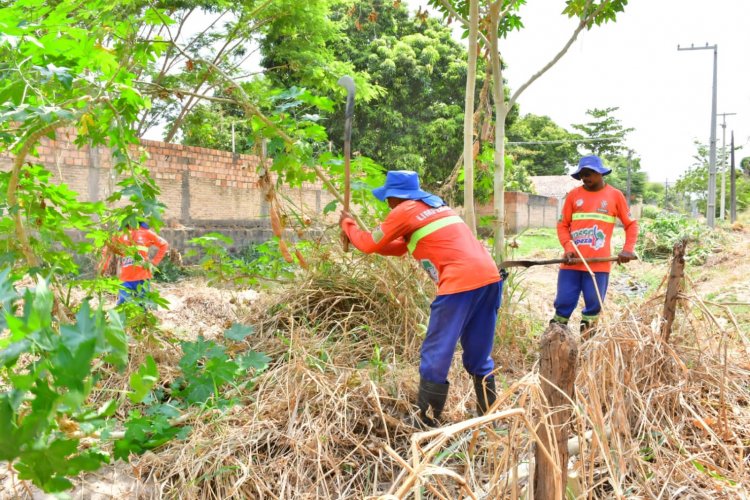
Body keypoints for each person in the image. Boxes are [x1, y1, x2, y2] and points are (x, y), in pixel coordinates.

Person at [339, 170, 504, 428]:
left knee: (436, 353)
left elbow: (371, 243)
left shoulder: (403, 210)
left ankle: (426, 423)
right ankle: (492, 419)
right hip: (490, 278)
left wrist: (348, 226)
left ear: (395, 197)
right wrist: (356, 234)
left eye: (387, 199)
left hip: (459, 284)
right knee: (479, 354)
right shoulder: (434, 206)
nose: (387, 205)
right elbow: (396, 248)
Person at [551, 155, 638, 338]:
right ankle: (555, 344)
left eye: (589, 174)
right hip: (571, 264)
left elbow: (631, 224)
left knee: (594, 305)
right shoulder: (574, 195)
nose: (585, 178)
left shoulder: (615, 196)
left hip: (598, 265)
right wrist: (568, 247)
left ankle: (587, 348)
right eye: (582, 174)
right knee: (563, 302)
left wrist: (628, 249)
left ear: (600, 173)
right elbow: (562, 225)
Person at [102, 220, 169, 306]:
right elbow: (107, 249)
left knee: (143, 305)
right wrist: (103, 266)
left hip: (142, 278)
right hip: (125, 279)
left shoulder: (146, 233)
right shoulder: (119, 234)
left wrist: (155, 262)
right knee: (123, 304)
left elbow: (164, 244)